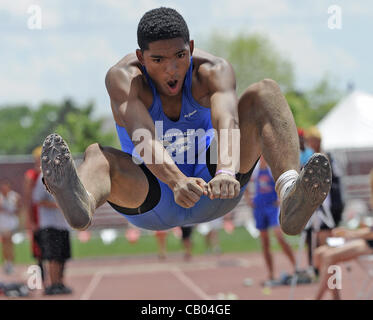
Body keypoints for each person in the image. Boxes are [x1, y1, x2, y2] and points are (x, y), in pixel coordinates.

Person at [40, 7, 332, 238]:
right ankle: (82, 200)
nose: (172, 69)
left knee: (265, 92)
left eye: (180, 56)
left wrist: (227, 171)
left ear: (191, 47)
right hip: (149, 194)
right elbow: (145, 139)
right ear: (141, 57)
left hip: (214, 185)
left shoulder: (213, 71)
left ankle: (290, 192)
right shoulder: (124, 79)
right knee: (96, 154)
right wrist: (177, 181)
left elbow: (227, 121)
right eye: (158, 60)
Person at [244, 157, 296, 285]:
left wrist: (281, 199)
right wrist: (248, 199)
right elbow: (244, 181)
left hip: (272, 207)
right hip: (259, 207)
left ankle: (296, 266)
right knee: (265, 242)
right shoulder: (254, 168)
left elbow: (283, 182)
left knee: (280, 236)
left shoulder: (273, 166)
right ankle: (271, 273)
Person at [32, 175, 72, 295]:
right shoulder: (43, 179)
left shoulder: (64, 177)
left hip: (63, 224)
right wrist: (56, 205)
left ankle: (60, 282)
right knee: (53, 256)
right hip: (50, 224)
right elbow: (36, 199)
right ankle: (53, 284)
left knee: (62, 256)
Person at [313, 226, 373, 300]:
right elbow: (370, 230)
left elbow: (371, 233)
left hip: (369, 246)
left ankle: (317, 298)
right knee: (319, 253)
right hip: (365, 242)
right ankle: (335, 297)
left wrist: (349, 233)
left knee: (329, 257)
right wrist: (347, 232)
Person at [23, 146, 44, 282]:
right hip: (36, 214)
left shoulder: (49, 174)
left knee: (50, 247)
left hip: (48, 215)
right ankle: (41, 275)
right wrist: (30, 220)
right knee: (38, 248)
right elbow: (27, 199)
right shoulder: (31, 175)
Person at [0, 180, 21, 275]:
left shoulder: (14, 196)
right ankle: (7, 262)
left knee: (9, 242)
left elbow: (19, 209)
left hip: (11, 223)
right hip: (2, 223)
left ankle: (10, 263)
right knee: (5, 243)